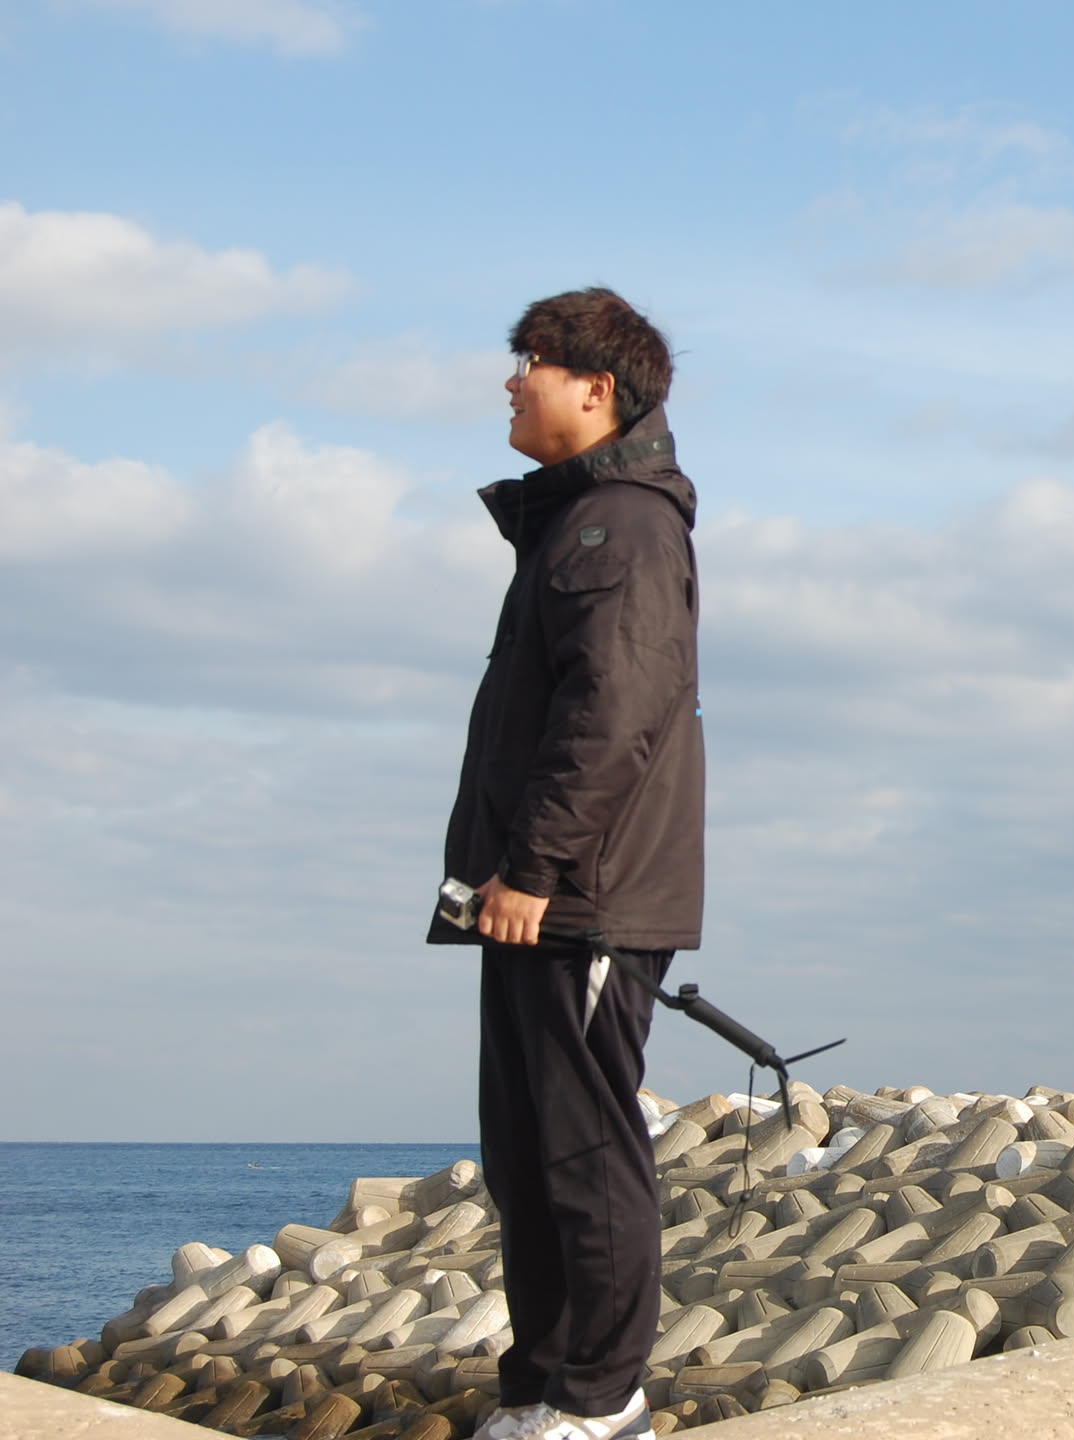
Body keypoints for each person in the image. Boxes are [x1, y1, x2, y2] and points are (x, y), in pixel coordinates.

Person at [429, 287, 704, 1440]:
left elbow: (613, 713)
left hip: (582, 897)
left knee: (584, 1148)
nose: (511, 380)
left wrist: (536, 870)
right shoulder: (575, 522)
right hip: (534, 897)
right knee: (526, 1151)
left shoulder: (624, 524)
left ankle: (603, 1397)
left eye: (530, 362)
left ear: (595, 388)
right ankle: (542, 1386)